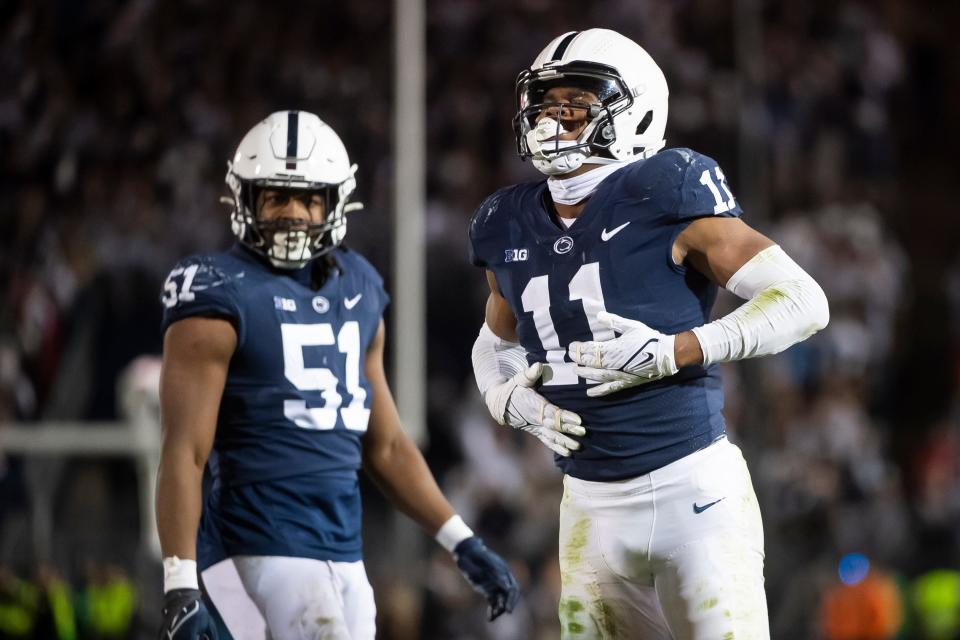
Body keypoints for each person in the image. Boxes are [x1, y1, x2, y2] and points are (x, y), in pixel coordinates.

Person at [469, 29, 829, 639]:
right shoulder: (506, 219)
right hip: (586, 507)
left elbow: (802, 301)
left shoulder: (665, 186)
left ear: (633, 110)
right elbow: (494, 342)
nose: (552, 120)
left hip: (693, 494)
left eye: (574, 103)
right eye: (544, 102)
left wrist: (675, 351)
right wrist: (501, 395)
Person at [156, 110, 519, 640]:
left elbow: (387, 445)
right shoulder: (215, 292)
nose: (293, 213)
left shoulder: (359, 286)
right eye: (275, 196)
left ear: (336, 203)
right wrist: (179, 583)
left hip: (343, 552)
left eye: (309, 198)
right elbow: (183, 449)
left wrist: (460, 540)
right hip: (253, 544)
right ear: (245, 200)